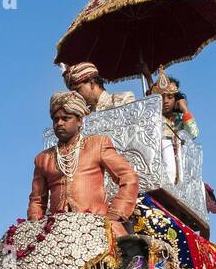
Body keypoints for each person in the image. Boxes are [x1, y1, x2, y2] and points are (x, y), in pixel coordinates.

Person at [28, 92, 139, 235]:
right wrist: (35, 227)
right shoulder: (43, 159)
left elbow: (129, 177)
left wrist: (115, 213)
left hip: (97, 224)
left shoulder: (97, 144)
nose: (60, 123)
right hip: (57, 232)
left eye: (66, 118)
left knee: (127, 252)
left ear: (79, 120)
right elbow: (37, 200)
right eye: (56, 120)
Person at [62, 62, 135, 112]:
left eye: (78, 90)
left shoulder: (122, 100)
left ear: (92, 83)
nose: (75, 95)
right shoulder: (83, 117)